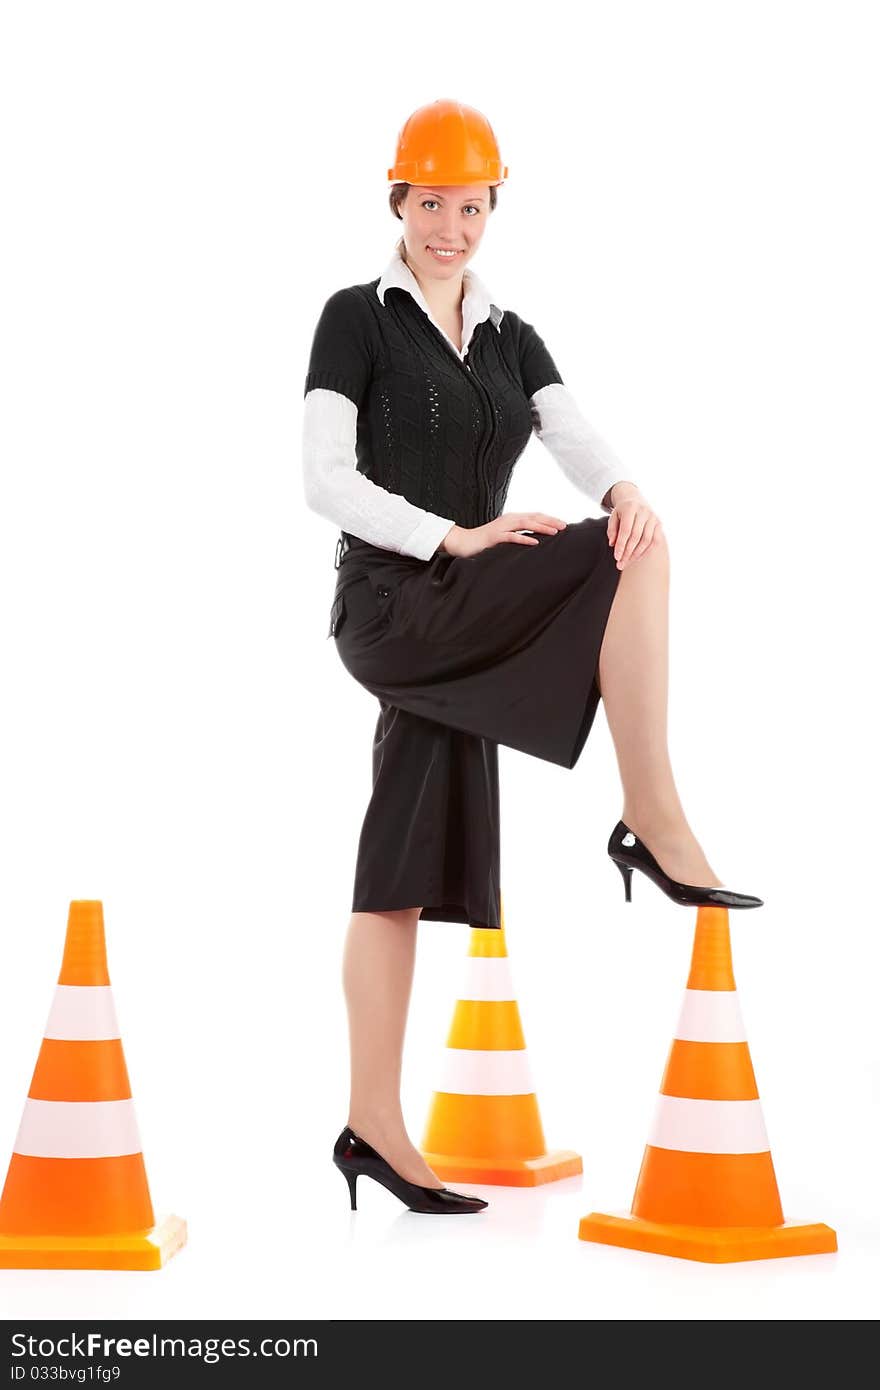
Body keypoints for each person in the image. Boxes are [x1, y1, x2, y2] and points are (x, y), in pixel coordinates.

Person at [302, 99, 763, 1215]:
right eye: (428, 203)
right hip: (394, 598)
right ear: (396, 201)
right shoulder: (354, 317)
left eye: (470, 205)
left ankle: (371, 1125)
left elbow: (567, 429)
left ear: (492, 205)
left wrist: (625, 485)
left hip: (461, 607)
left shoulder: (511, 333)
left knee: (394, 868)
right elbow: (322, 477)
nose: (448, 226)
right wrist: (451, 534)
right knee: (620, 559)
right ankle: (650, 813)